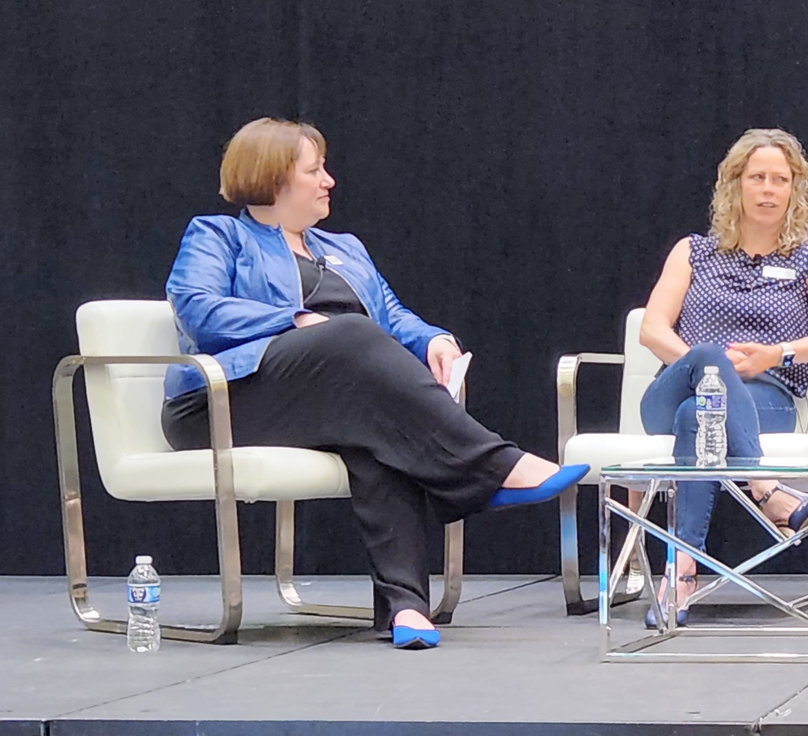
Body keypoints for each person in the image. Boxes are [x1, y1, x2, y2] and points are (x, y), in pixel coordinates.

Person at [162, 118, 587, 650]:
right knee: (351, 340)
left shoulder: (346, 248)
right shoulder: (219, 235)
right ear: (273, 180)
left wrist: (433, 340)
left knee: (377, 435)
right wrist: (294, 320)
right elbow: (199, 310)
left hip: (327, 397)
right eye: (315, 171)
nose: (329, 181)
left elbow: (392, 315)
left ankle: (405, 607)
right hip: (223, 401)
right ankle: (494, 465)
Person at [636, 128, 808, 620]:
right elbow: (652, 329)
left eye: (780, 180)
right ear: (735, 186)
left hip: (764, 401)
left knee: (700, 416)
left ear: (794, 190)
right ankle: (768, 489)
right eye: (757, 177)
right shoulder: (693, 251)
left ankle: (678, 577)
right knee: (708, 364)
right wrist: (701, 364)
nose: (768, 189)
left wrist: (777, 354)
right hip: (671, 387)